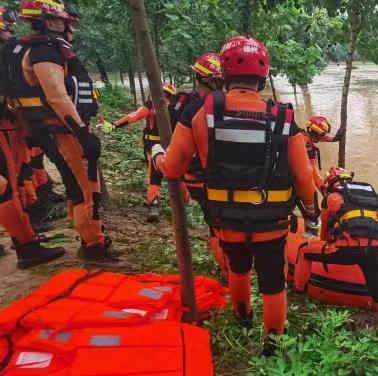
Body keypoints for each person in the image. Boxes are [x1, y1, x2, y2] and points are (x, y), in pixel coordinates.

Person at [151, 35, 318, 356]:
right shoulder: (284, 119)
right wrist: (312, 214)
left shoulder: (199, 113)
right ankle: (272, 347)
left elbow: (172, 168)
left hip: (226, 220)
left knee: (238, 269)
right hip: (271, 223)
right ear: (264, 76)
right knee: (272, 284)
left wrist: (157, 153)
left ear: (224, 75)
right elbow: (304, 178)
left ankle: (243, 318)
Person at [2, 0, 111, 260]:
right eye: (65, 23)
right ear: (51, 22)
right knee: (87, 187)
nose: (69, 30)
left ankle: (88, 238)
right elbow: (57, 96)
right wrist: (83, 135)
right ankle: (94, 244)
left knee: (75, 183)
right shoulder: (44, 51)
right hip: (63, 131)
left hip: (45, 129)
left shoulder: (17, 50)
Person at [0, 4, 65, 268]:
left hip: (8, 124)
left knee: (12, 182)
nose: (11, 30)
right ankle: (27, 247)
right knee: (5, 188)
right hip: (3, 126)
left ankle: (28, 241)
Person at [293, 167, 378, 330]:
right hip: (374, 249)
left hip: (346, 249)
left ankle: (298, 293)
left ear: (331, 184)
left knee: (304, 250)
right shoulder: (372, 196)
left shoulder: (331, 198)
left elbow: (324, 235)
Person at [178, 52, 228, 283]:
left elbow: (178, 153)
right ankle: (227, 272)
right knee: (218, 225)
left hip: (198, 178)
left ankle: (228, 268)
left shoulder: (190, 107)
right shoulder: (226, 105)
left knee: (217, 223)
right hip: (211, 179)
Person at [114, 81, 187, 222]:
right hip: (174, 146)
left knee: (154, 176)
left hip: (154, 147)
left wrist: (114, 125)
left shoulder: (151, 105)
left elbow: (133, 117)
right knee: (179, 174)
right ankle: (185, 201)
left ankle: (153, 205)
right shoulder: (177, 107)